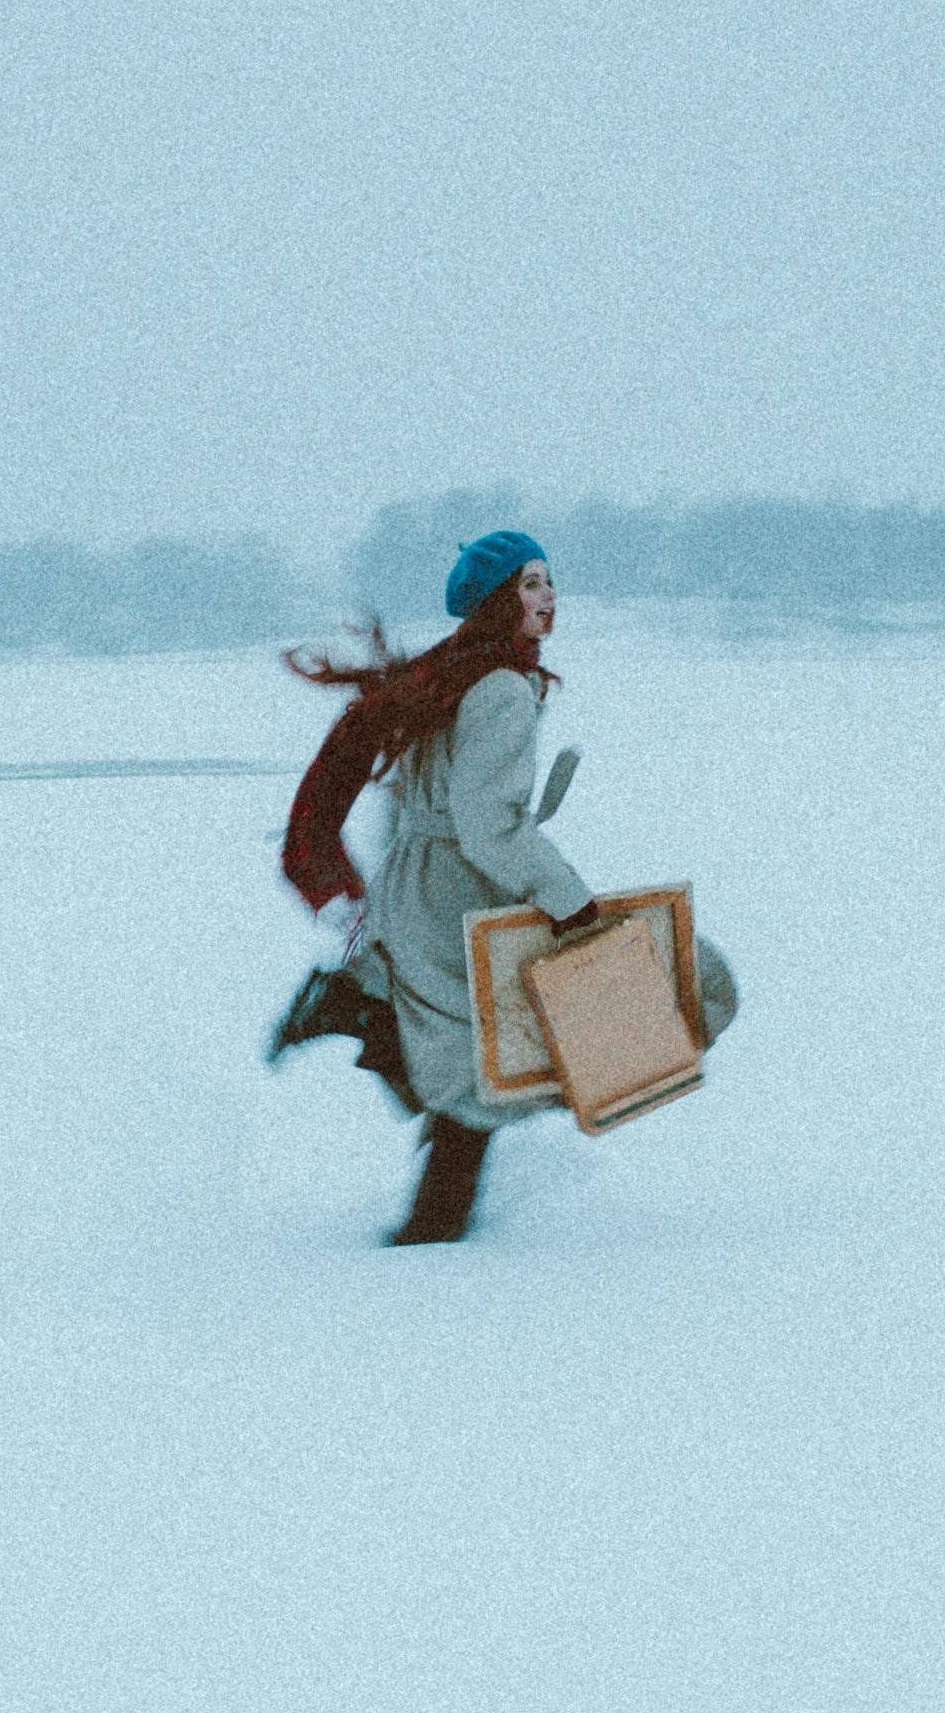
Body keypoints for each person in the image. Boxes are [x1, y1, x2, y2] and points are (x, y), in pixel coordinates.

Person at [268, 530, 734, 1244]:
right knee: (492, 1070)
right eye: (531, 584)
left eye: (549, 581)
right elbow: (490, 827)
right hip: (461, 890)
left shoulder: (450, 673)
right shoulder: (500, 691)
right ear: (497, 600)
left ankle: (363, 1015)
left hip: (418, 887)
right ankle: (431, 1226)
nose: (549, 597)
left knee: (471, 1060)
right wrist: (572, 904)